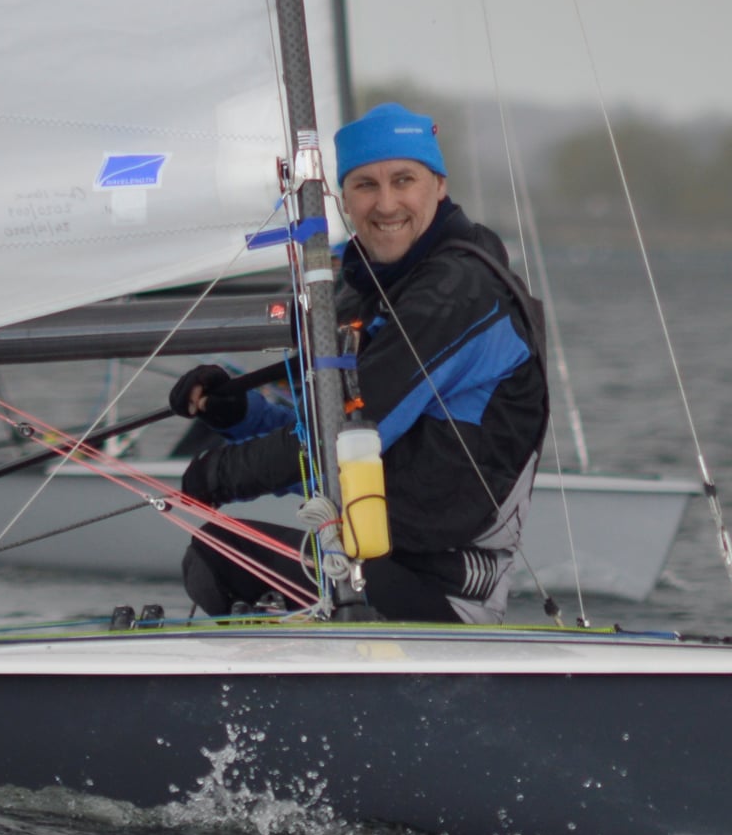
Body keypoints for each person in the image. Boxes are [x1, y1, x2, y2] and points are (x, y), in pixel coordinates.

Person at [170, 102, 549, 623]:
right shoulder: (364, 294)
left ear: (438, 186)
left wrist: (213, 476)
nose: (386, 203)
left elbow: (339, 441)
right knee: (221, 557)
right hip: (369, 567)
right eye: (366, 185)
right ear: (343, 198)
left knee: (221, 556)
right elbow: (335, 438)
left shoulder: (461, 295)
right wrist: (238, 415)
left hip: (448, 590)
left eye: (403, 180)